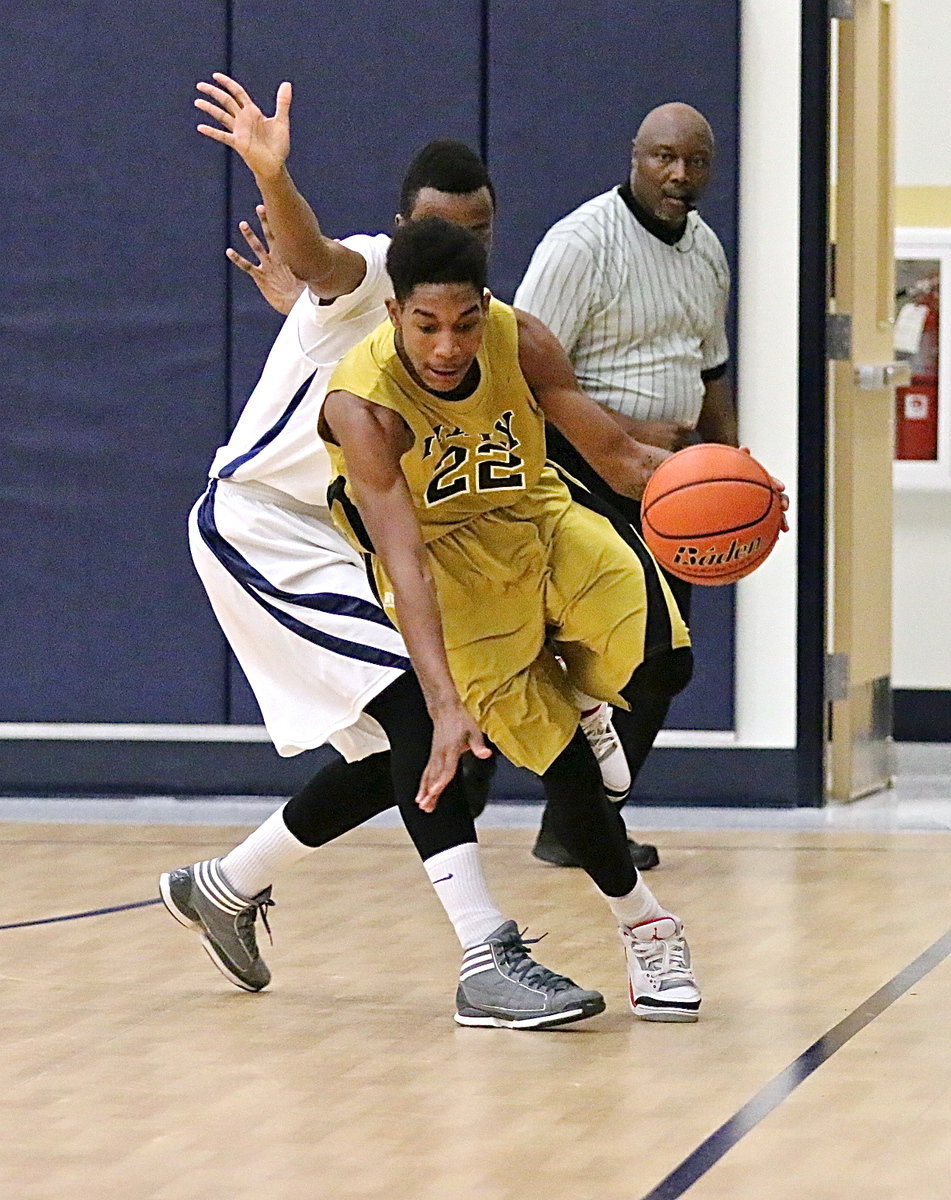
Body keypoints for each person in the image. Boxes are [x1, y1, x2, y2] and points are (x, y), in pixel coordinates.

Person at [158, 74, 622, 1029]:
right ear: (397, 229)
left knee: (412, 753)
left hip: (351, 540)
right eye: (428, 229)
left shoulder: (479, 326)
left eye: (477, 230)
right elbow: (316, 257)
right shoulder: (373, 272)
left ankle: (225, 885)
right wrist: (273, 177)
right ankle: (484, 958)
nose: (447, 247)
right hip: (266, 530)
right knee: (426, 710)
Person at [320, 215, 716, 1021]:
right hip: (445, 572)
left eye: (465, 324)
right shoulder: (362, 409)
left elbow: (618, 461)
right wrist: (440, 704)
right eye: (426, 326)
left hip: (537, 517)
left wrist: (721, 490)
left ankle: (589, 696)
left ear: (486, 309)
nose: (446, 348)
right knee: (567, 773)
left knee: (666, 660)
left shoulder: (522, 340)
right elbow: (401, 561)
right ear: (393, 314)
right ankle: (647, 929)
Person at [513, 101, 737, 867]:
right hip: (586, 471)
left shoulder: (705, 250)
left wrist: (729, 462)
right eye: (663, 157)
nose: (679, 174)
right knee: (630, 654)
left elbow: (710, 369)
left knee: (663, 657)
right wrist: (624, 435)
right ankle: (577, 820)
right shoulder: (581, 243)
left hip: (676, 482)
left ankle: (581, 822)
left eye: (695, 161)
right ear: (633, 156)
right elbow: (522, 370)